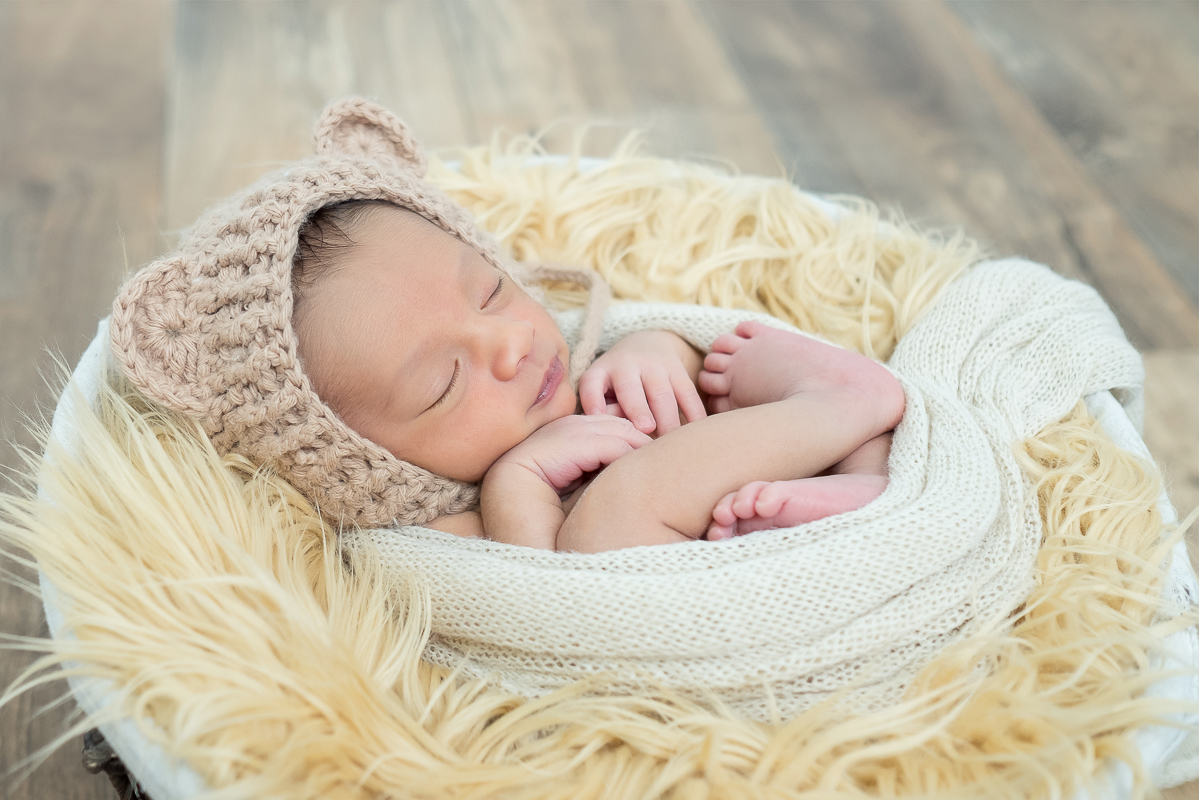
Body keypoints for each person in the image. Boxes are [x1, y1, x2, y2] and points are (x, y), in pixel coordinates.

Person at [291, 199, 903, 552]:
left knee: (733, 368)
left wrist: (654, 350)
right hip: (712, 588)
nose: (513, 343)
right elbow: (547, 596)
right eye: (445, 382)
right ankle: (841, 426)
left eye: (492, 293)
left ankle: (861, 463)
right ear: (365, 457)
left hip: (793, 469)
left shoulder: (581, 364)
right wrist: (518, 483)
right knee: (604, 525)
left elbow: (693, 375)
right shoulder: (436, 527)